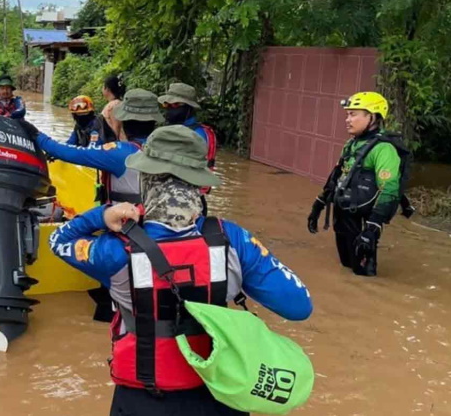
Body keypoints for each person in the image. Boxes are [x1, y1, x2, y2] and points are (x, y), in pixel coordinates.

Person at [49, 125, 312, 416]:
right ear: (201, 185)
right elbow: (299, 306)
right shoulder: (233, 240)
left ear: (145, 180)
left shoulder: (115, 249)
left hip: (142, 400)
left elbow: (58, 240)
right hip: (221, 396)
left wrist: (102, 214)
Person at [307, 91, 411, 277]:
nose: (347, 119)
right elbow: (338, 176)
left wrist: (371, 230)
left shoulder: (383, 149)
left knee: (363, 275)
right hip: (344, 213)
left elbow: (389, 189)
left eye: (353, 114)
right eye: (347, 114)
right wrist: (319, 204)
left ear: (372, 117)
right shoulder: (351, 144)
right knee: (346, 265)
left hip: (363, 220)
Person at [21, 89, 162, 206]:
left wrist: (36, 134)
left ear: (124, 122)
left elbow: (76, 152)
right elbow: (70, 143)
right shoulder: (164, 148)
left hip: (128, 221)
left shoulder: (119, 152)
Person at [158, 82, 219, 214]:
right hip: (196, 200)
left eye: (175, 105)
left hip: (183, 203)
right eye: (166, 105)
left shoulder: (191, 136)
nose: (169, 109)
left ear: (189, 108)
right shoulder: (204, 132)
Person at [101, 75, 127, 141]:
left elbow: (116, 127)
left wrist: (114, 145)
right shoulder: (116, 103)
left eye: (103, 86)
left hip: (117, 143)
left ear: (107, 89)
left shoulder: (114, 105)